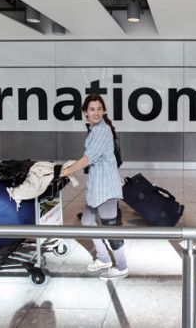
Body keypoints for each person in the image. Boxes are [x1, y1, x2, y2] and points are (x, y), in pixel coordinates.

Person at [62, 94, 128, 281]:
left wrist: (67, 171)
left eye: (99, 109)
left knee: (110, 228)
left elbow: (88, 158)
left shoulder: (102, 130)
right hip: (96, 188)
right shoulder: (93, 129)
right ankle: (104, 259)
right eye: (92, 109)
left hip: (106, 188)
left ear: (104, 111)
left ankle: (122, 267)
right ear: (85, 112)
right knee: (87, 222)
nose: (96, 112)